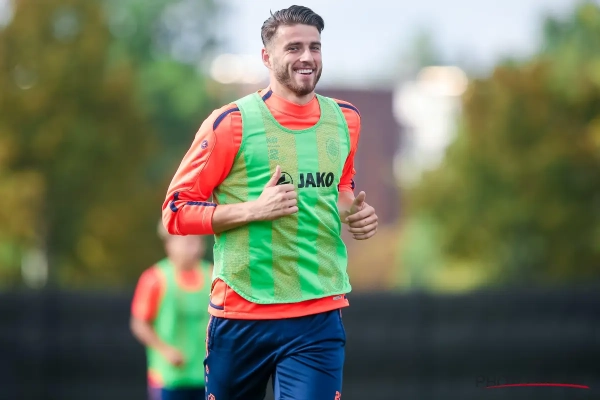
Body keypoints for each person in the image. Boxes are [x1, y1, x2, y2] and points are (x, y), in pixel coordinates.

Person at [162, 5, 378, 400]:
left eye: (314, 47)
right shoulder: (230, 123)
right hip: (241, 316)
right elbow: (175, 212)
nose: (307, 57)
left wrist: (354, 212)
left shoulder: (346, 120)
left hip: (317, 313)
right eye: (293, 48)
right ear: (266, 56)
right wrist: (253, 210)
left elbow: (340, 189)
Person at [130, 221, 212, 400]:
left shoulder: (212, 275)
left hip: (207, 376)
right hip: (168, 378)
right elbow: (139, 324)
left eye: (197, 241)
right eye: (187, 242)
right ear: (169, 244)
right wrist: (165, 350)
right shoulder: (155, 278)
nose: (194, 247)